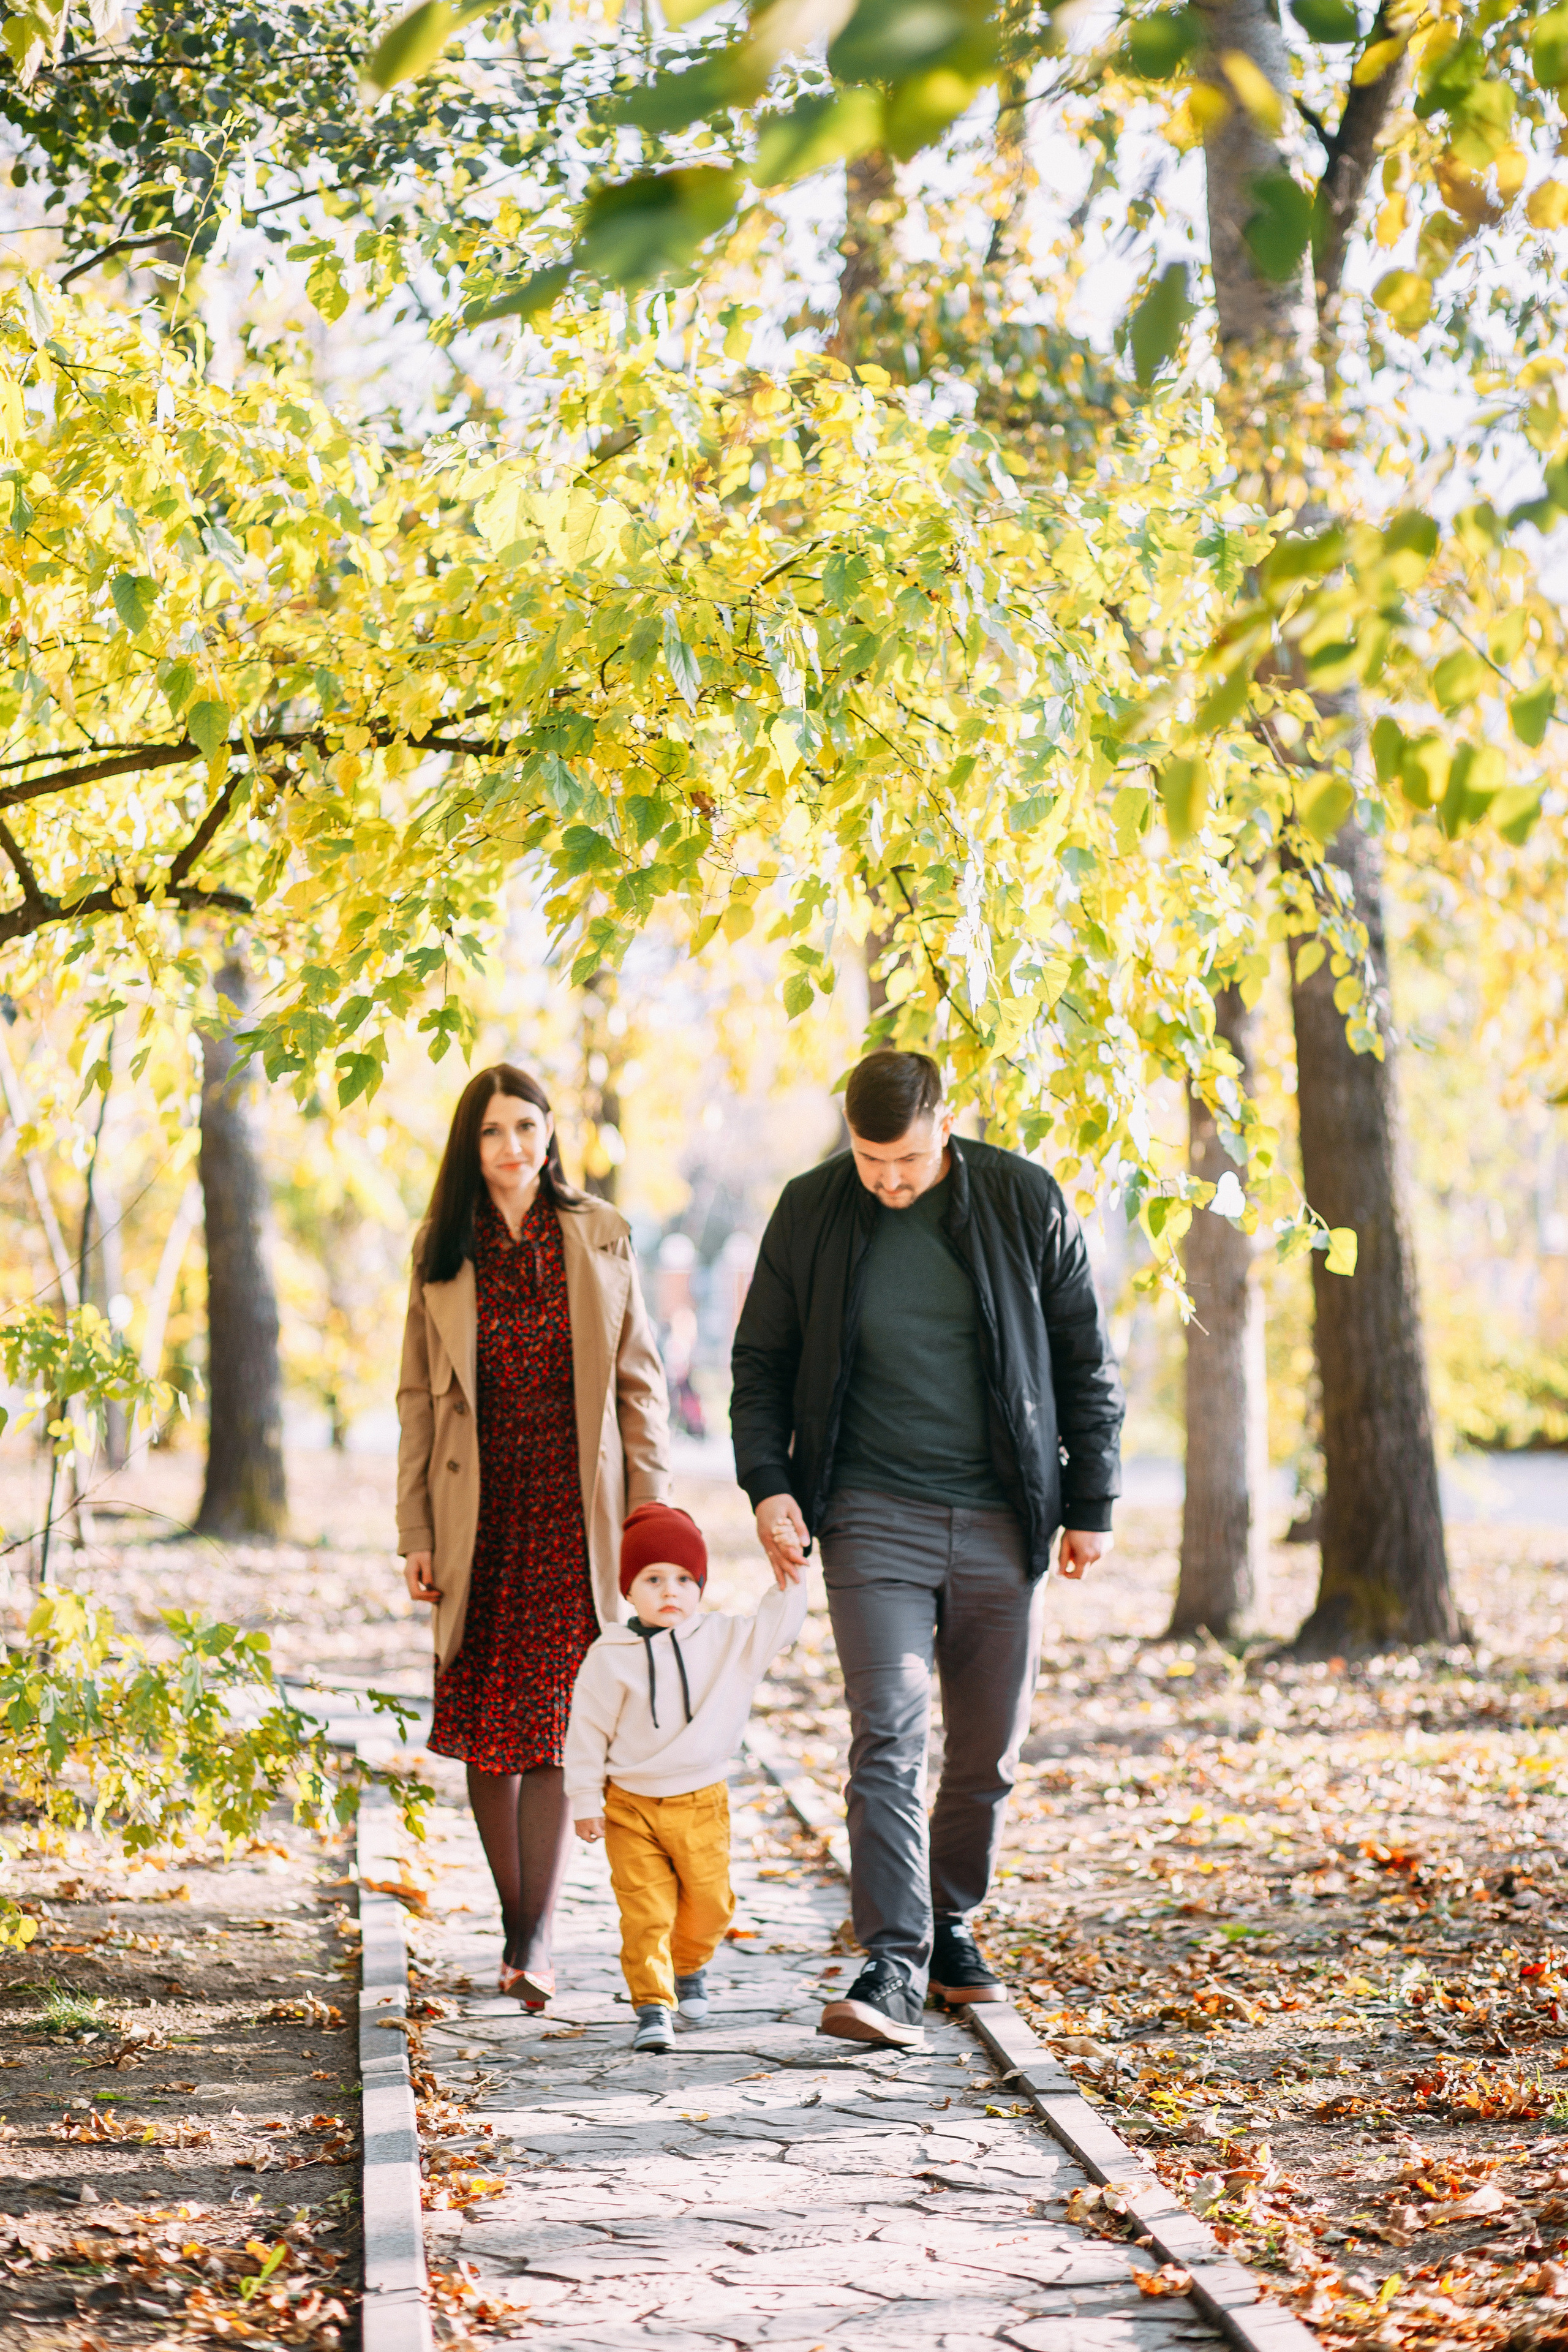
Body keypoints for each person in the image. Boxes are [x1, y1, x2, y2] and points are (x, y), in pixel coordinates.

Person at [730, 1048, 1123, 2049]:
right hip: (871, 1517)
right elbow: (760, 1364)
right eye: (870, 1160)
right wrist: (770, 1488)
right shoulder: (813, 1209)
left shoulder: (1022, 1199)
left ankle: (951, 1924)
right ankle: (893, 1965)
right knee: (889, 1737)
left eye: (904, 1159)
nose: (889, 1180)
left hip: (1003, 1517)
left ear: (945, 1125)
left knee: (988, 1751)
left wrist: (1094, 1504)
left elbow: (1084, 1359)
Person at [396, 1063, 670, 2009]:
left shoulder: (599, 1235)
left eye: (527, 1127)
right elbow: (415, 1402)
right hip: (478, 1513)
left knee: (555, 1729)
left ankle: (535, 1940)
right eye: (492, 1132)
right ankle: (521, 1929)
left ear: (550, 1136)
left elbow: (641, 1387)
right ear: (471, 1148)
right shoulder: (442, 1248)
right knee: (486, 1731)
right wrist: (416, 1531)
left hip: (574, 1512)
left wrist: (653, 1519)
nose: (513, 1146)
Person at [564, 1500, 807, 2053]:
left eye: (683, 1578)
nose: (669, 1590)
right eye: (653, 1579)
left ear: (701, 1586)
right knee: (645, 1910)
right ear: (629, 1589)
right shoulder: (609, 1656)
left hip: (702, 1801)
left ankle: (690, 1964)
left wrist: (796, 1568)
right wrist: (584, 1799)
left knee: (711, 1906)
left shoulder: (728, 1642)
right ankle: (652, 2005)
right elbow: (587, 1732)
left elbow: (781, 1621)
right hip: (630, 1805)